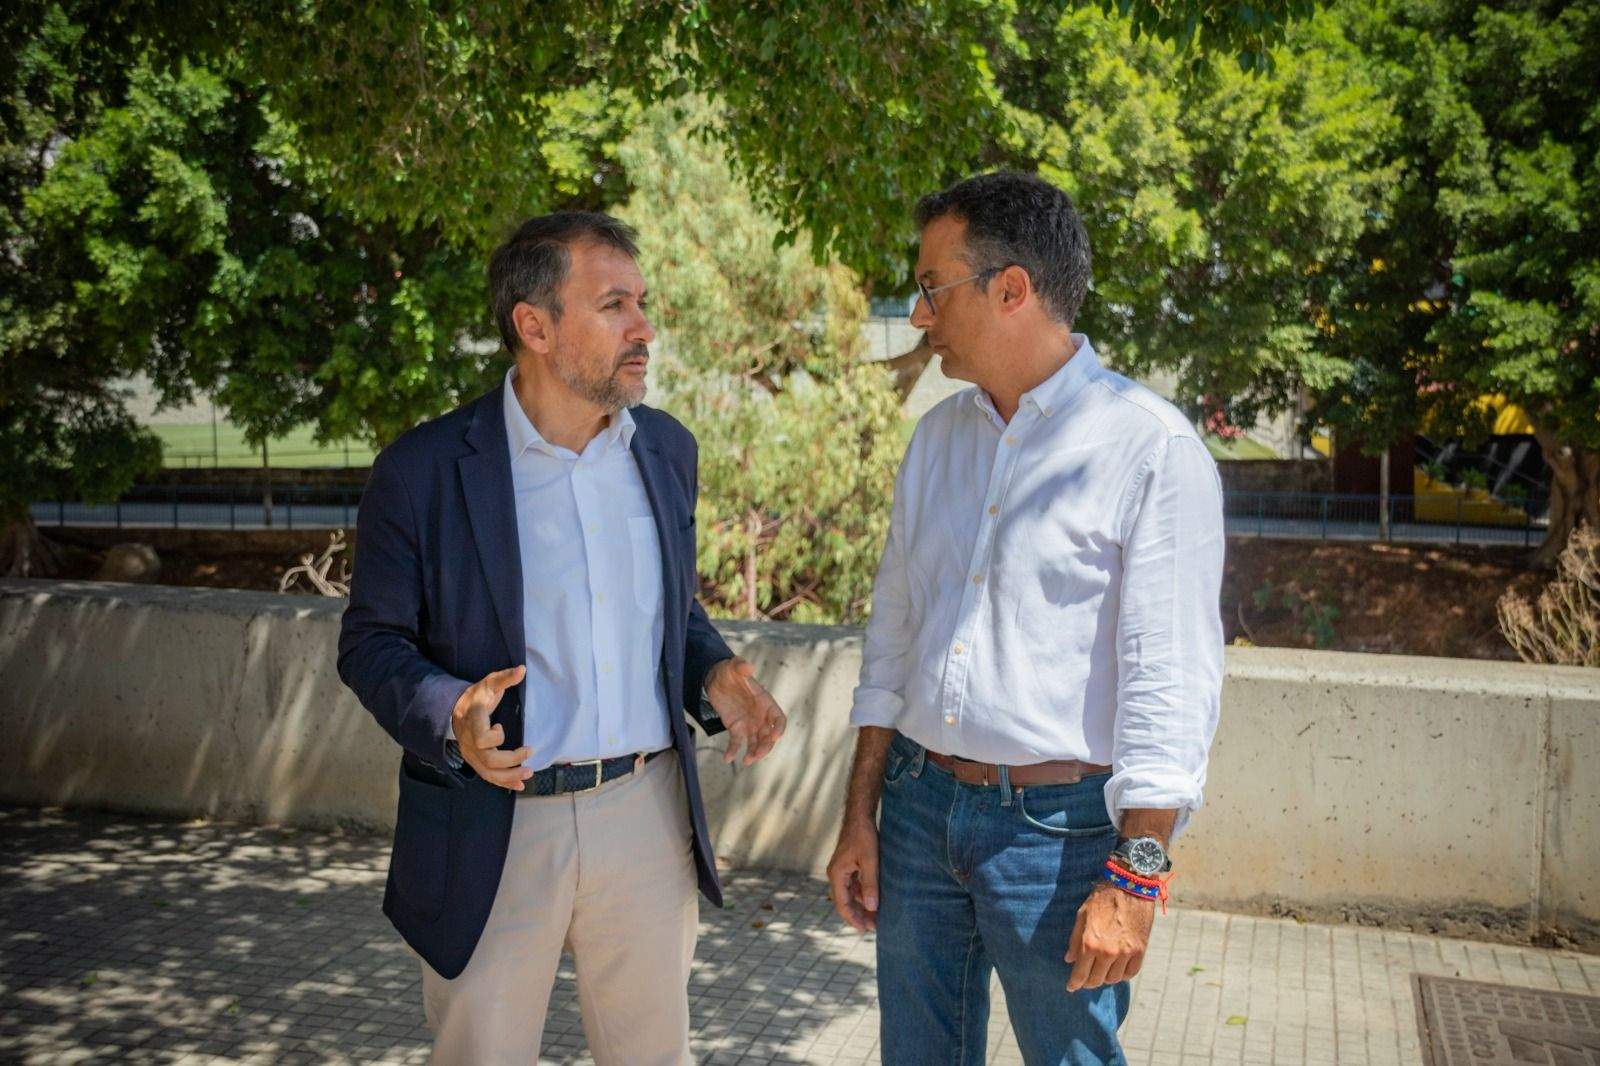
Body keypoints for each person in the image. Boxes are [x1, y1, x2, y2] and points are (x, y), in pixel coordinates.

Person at [338, 211, 787, 1065]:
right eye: (613, 305)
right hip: (494, 825)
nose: (644, 328)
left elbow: (668, 617)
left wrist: (714, 673)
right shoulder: (424, 470)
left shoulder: (665, 450)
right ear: (534, 325)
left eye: (641, 304)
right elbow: (371, 643)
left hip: (646, 815)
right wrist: (450, 712)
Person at [825, 172, 1224, 1064]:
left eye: (933, 288)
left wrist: (1136, 878)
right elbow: (892, 639)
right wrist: (862, 816)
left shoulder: (1151, 449)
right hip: (920, 813)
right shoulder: (937, 440)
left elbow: (1173, 685)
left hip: (1064, 836)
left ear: (1012, 289)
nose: (920, 315)